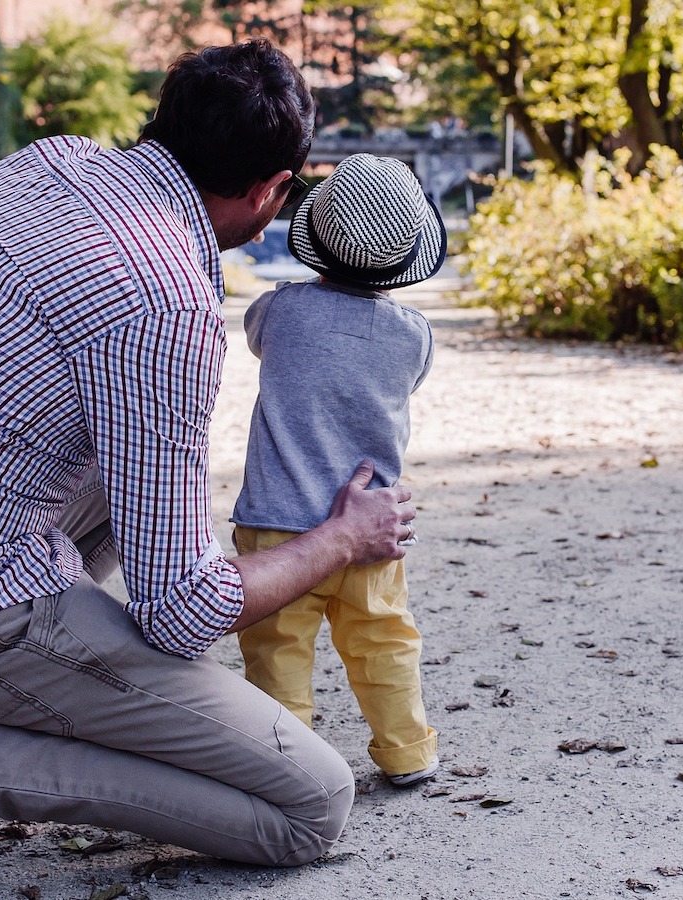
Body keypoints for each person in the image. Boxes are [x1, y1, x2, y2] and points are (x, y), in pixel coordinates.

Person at [0, 40, 416, 900]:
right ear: (269, 191)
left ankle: (64, 681)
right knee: (309, 805)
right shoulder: (167, 301)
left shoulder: (50, 162)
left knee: (139, 466)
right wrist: (339, 538)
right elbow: (186, 613)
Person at [231, 153, 444, 788]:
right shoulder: (413, 335)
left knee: (277, 653)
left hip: (277, 530)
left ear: (315, 241)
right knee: (385, 642)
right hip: (373, 527)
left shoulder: (280, 312)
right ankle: (407, 751)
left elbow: (253, 337)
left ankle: (287, 767)